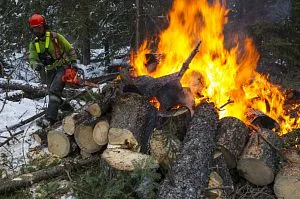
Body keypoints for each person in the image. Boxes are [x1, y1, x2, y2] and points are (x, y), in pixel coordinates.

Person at [28, 13, 77, 127]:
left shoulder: (55, 37)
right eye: (34, 29)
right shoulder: (34, 44)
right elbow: (32, 59)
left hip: (63, 67)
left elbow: (69, 49)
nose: (37, 31)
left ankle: (50, 119)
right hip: (49, 71)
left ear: (44, 26)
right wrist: (36, 65)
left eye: (39, 28)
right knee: (53, 94)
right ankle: (69, 110)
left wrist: (74, 64)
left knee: (54, 91)